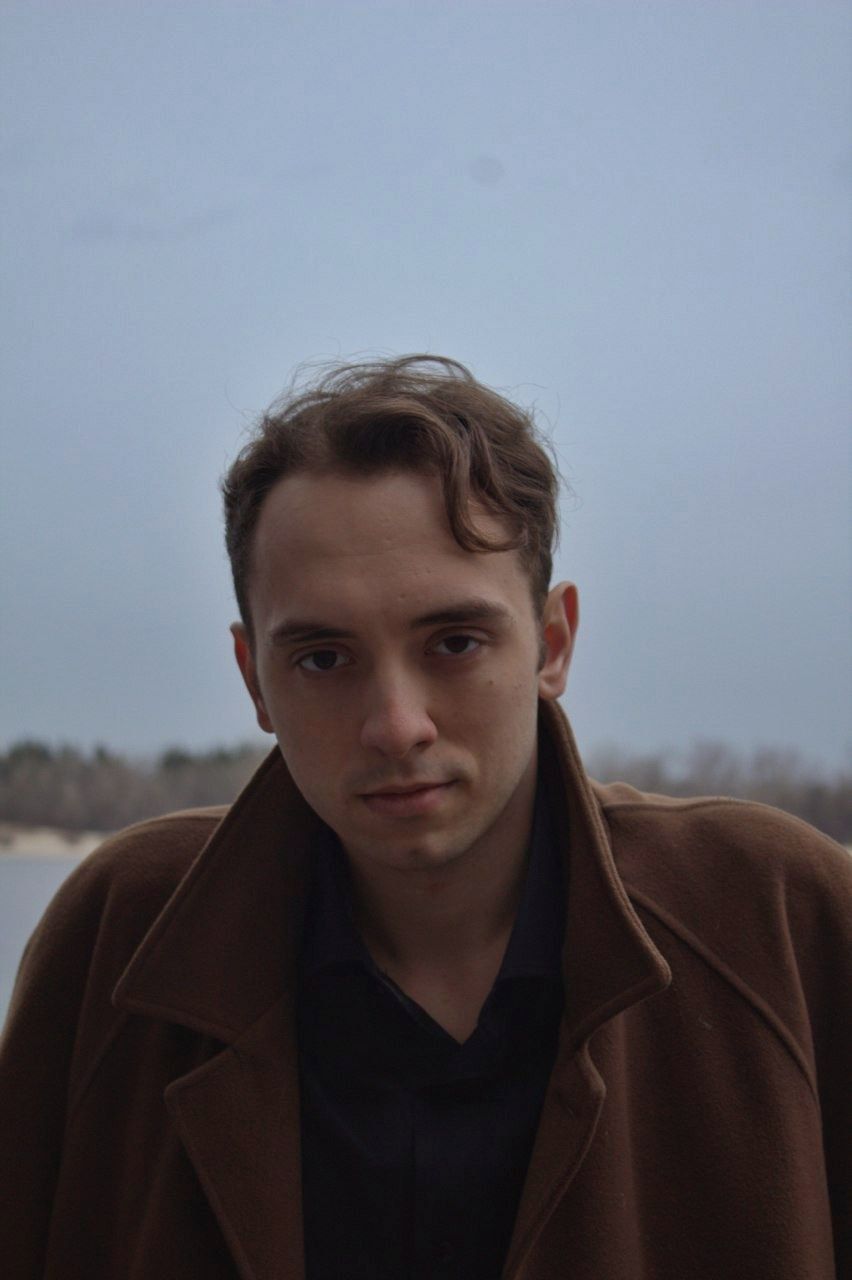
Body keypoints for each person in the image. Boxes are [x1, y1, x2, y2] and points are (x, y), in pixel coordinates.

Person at [0, 355, 849, 1279]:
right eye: (324, 658)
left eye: (454, 642)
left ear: (553, 644)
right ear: (254, 681)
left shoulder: (777, 918)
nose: (396, 725)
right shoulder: (122, 935)